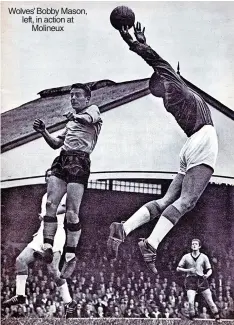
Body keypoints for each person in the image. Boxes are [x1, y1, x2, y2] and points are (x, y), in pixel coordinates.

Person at [107, 22, 218, 274]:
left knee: (168, 199)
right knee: (187, 202)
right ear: (165, 80)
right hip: (203, 139)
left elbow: (160, 67)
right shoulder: (175, 86)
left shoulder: (170, 100)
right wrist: (137, 43)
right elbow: (156, 60)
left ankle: (124, 228)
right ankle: (151, 243)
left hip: (190, 146)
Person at [33, 83, 103, 277]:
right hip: (63, 158)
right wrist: (44, 131)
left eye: (77, 96)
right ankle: (47, 246)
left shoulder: (92, 110)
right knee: (50, 203)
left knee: (72, 213)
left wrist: (75, 116)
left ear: (87, 99)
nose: (73, 99)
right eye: (71, 96)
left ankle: (71, 256)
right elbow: (56, 143)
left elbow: (88, 119)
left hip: (79, 161)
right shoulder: (70, 123)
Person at [2, 170, 77, 318]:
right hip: (42, 233)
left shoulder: (62, 193)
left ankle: (69, 303)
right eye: (47, 176)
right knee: (20, 261)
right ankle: (20, 295)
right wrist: (44, 216)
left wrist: (49, 213)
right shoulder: (44, 196)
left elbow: (69, 209)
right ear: (45, 179)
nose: (49, 178)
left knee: (53, 270)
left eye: (52, 176)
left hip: (56, 234)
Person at [177, 239, 220, 321]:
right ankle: (192, 318)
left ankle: (217, 317)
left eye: (196, 244)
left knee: (210, 301)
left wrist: (207, 275)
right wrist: (188, 270)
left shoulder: (204, 257)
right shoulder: (186, 257)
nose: (194, 245)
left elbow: (210, 269)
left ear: (199, 246)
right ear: (191, 246)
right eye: (192, 244)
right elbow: (178, 268)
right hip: (190, 280)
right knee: (190, 301)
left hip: (201, 279)